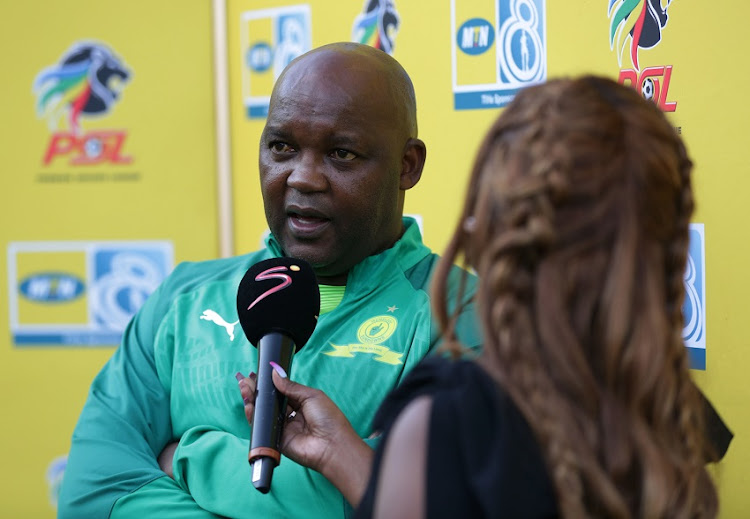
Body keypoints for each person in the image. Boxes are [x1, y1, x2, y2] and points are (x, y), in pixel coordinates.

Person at [245, 76, 728, 518]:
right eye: (283, 146)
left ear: (487, 235)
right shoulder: (674, 412)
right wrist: (335, 451)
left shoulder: (449, 418)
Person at [57, 42, 481, 518]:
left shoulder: (466, 313)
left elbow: (432, 502)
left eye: (341, 153)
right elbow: (93, 491)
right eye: (282, 147)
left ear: (408, 166)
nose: (302, 178)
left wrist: (194, 458)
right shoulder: (182, 296)